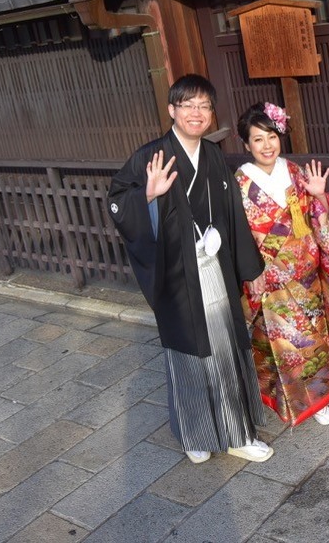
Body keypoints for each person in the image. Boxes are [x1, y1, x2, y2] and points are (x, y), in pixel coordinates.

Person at [107, 75, 273, 464]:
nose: (196, 113)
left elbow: (233, 213)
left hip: (214, 268)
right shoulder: (151, 156)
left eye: (203, 106)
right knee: (187, 355)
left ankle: (237, 433)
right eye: (188, 105)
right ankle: (195, 433)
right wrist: (147, 194)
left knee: (226, 349)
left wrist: (250, 268)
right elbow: (117, 201)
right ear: (172, 111)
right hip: (177, 275)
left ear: (210, 114)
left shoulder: (213, 155)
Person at [234, 101, 329, 427]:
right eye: (257, 139)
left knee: (313, 342)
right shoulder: (240, 184)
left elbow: (318, 222)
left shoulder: (295, 173)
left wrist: (318, 197)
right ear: (246, 144)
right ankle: (282, 401)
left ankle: (316, 400)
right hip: (269, 282)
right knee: (279, 347)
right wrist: (252, 272)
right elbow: (239, 236)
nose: (267, 145)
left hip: (306, 278)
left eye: (271, 136)